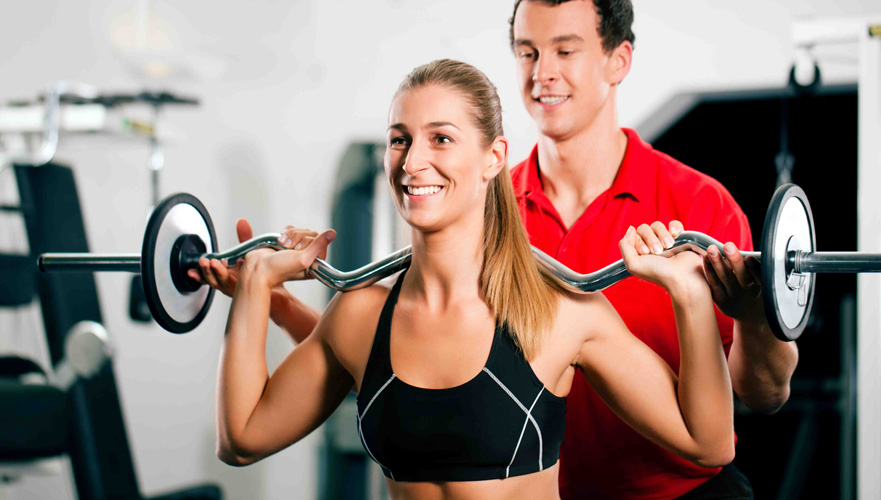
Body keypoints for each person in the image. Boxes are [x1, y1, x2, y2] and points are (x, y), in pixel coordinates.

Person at [205, 59, 734, 500]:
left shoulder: (560, 313)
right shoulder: (358, 314)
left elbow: (707, 444)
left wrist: (689, 292)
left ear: (493, 158)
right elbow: (243, 439)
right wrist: (257, 288)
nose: (413, 162)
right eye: (399, 140)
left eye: (441, 139)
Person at [507, 1, 799, 498]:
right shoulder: (490, 217)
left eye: (565, 51)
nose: (541, 73)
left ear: (618, 60)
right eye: (527, 52)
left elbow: (765, 395)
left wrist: (752, 319)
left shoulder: (702, 204)